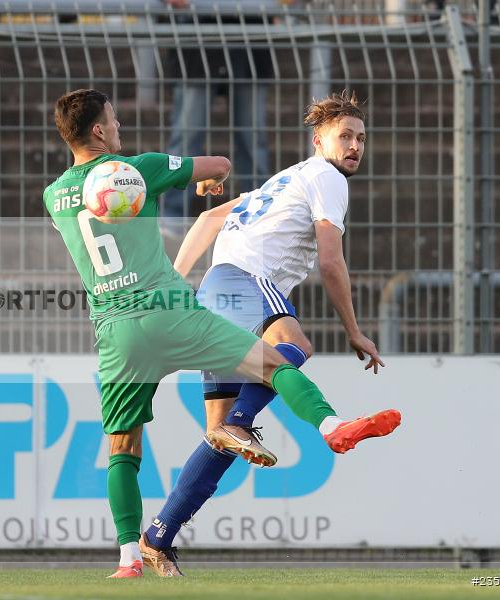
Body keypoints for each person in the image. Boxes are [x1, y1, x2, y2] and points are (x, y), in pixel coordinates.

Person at [45, 88, 367, 579]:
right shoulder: (140, 169)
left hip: (114, 330)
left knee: (123, 447)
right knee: (279, 361)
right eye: (114, 121)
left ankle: (134, 555)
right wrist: (204, 181)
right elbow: (218, 163)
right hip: (171, 311)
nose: (119, 128)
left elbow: (109, 211)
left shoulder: (53, 196)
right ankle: (329, 425)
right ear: (99, 131)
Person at [141, 90, 399, 567]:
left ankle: (158, 537)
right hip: (245, 281)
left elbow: (211, 217)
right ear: (318, 140)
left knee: (217, 438)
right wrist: (355, 331)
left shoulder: (283, 180)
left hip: (215, 292)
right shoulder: (327, 178)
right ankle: (328, 424)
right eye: (345, 136)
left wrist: (176, 283)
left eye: (361, 138)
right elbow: (330, 260)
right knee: (294, 344)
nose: (355, 146)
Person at [161, 0, 272, 228]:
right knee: (186, 137)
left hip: (250, 37)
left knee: (251, 140)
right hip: (197, 41)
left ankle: (260, 215)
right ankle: (171, 214)